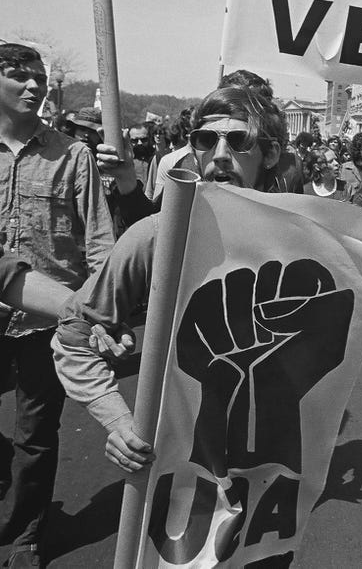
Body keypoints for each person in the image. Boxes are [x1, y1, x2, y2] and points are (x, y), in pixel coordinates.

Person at [52, 85, 287, 474]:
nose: (221, 155)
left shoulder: (303, 243)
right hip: (174, 455)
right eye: (206, 140)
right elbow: (74, 333)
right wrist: (118, 421)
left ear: (271, 153)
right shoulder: (158, 236)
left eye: (240, 141)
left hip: (267, 458)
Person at [0, 43, 115, 568]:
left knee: (36, 436)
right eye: (18, 76)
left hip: (48, 324)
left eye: (38, 78)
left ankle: (24, 535)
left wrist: (103, 312)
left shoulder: (73, 156)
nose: (33, 86)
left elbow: (100, 247)